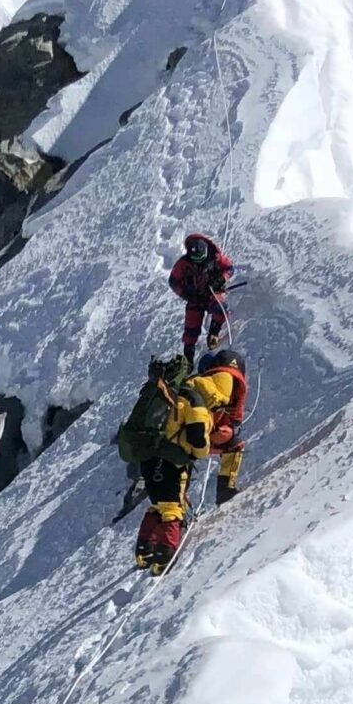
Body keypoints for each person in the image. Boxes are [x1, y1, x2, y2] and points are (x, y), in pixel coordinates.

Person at [115, 353, 237, 572]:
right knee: (172, 506)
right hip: (173, 458)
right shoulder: (197, 398)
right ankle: (165, 555)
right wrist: (201, 451)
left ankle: (144, 551)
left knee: (157, 504)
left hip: (149, 453)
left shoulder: (176, 392)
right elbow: (198, 435)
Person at [168, 233, 234, 361]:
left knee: (220, 309)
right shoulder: (183, 264)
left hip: (212, 294)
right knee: (191, 329)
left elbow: (230, 268)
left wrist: (221, 278)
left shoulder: (216, 258)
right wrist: (185, 293)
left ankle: (214, 333)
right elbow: (173, 282)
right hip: (194, 299)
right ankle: (188, 359)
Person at [199, 347, 249, 502]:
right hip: (207, 436)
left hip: (190, 437)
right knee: (235, 445)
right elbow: (234, 420)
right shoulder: (235, 391)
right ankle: (225, 491)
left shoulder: (200, 385)